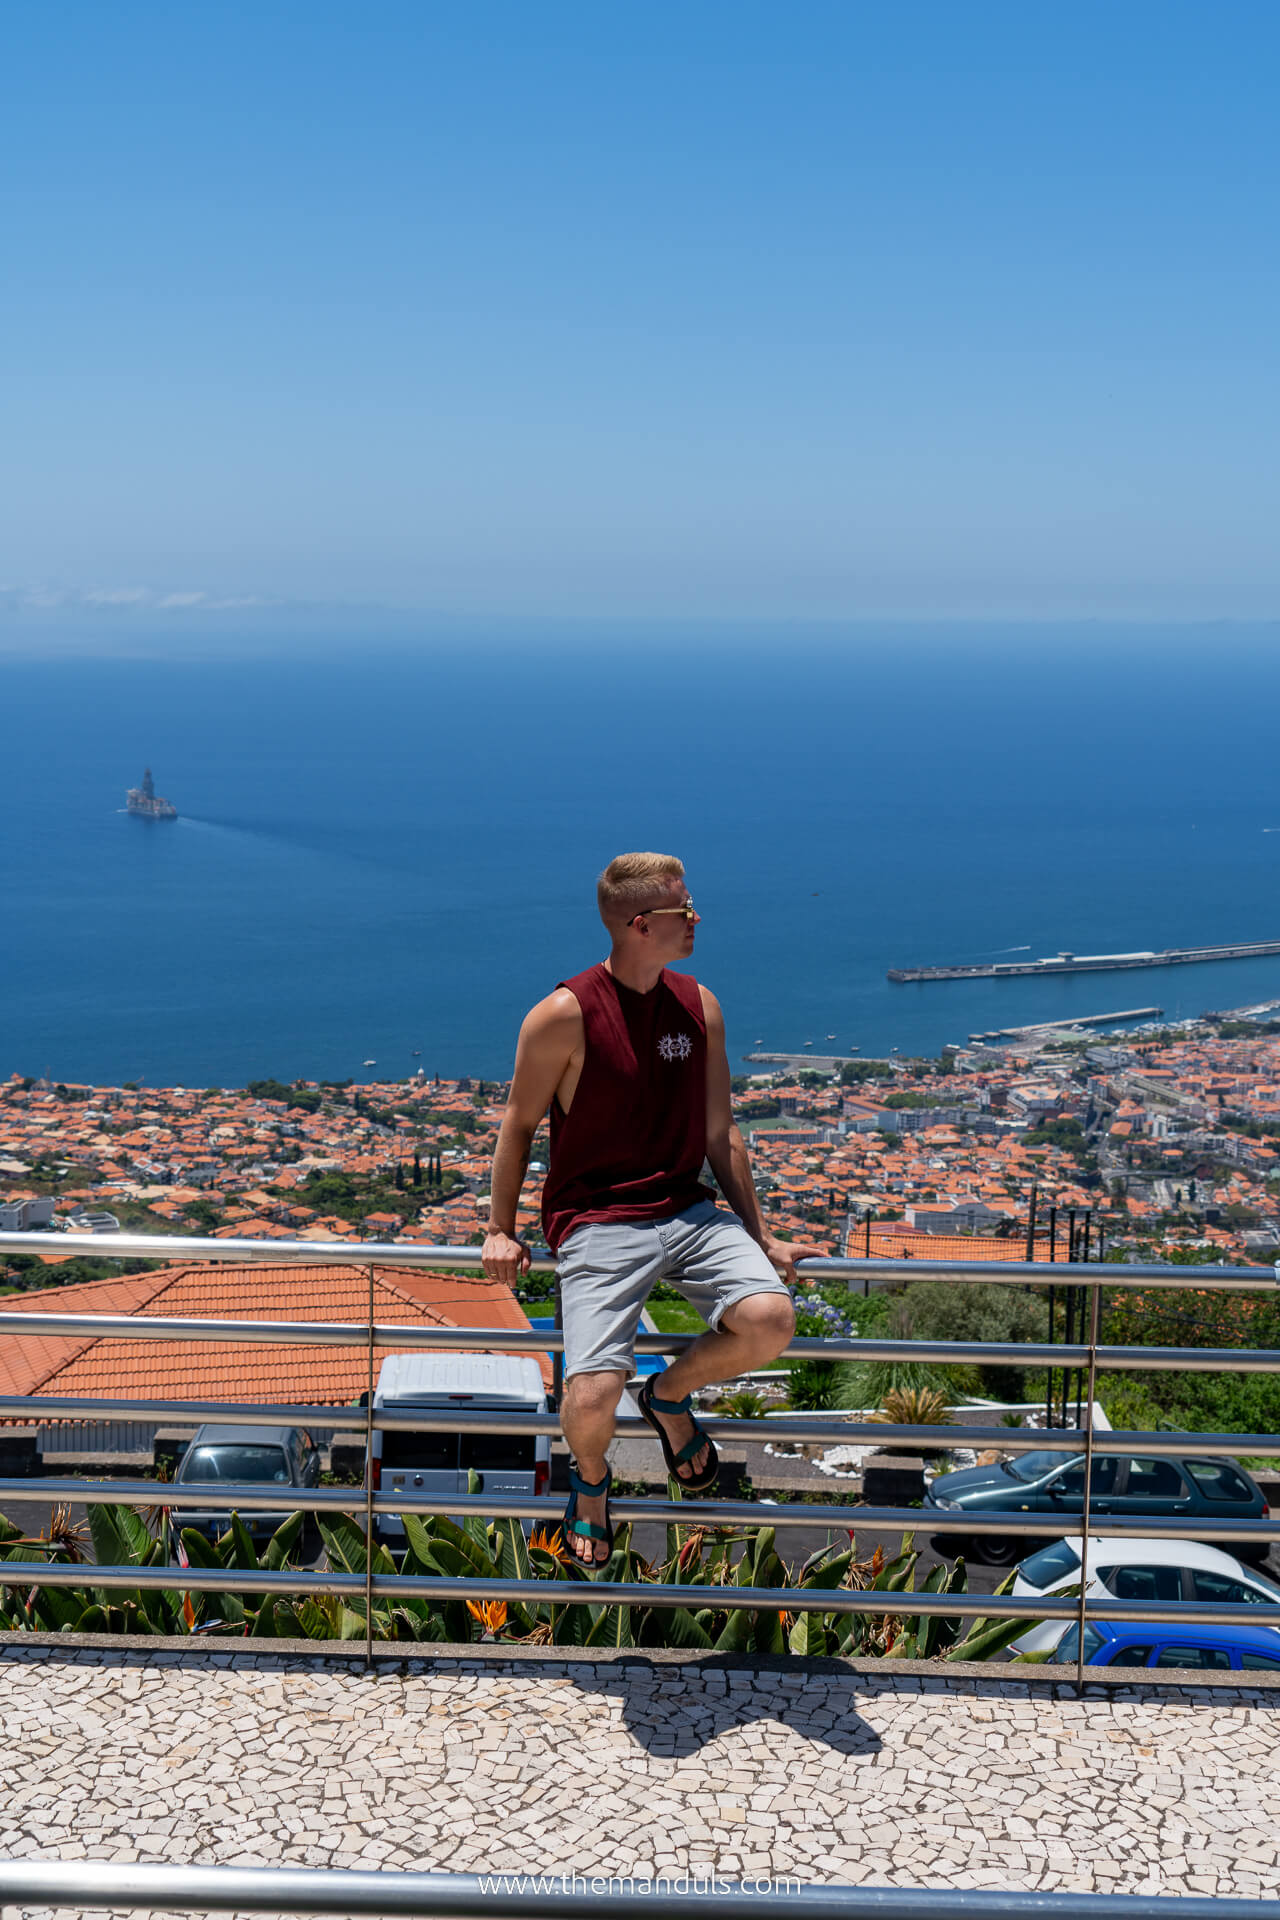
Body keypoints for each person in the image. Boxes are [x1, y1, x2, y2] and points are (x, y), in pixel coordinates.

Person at [482, 852, 823, 1568]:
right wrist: (500, 1231)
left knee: (771, 1319)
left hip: (685, 1208)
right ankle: (592, 1484)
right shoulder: (562, 1015)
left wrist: (763, 1239)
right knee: (592, 1391)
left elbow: (719, 1131)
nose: (695, 919)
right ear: (641, 924)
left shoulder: (700, 1006)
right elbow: (517, 1123)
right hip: (597, 1219)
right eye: (682, 910)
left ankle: (667, 1398)